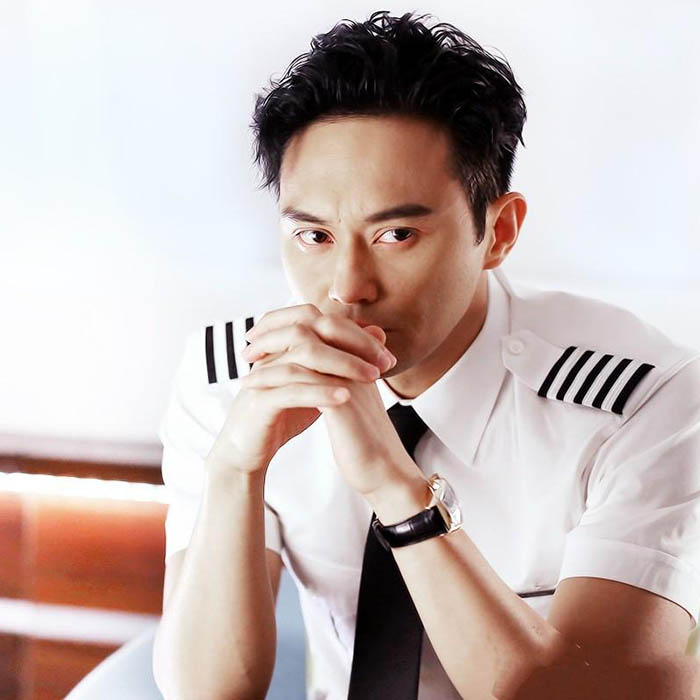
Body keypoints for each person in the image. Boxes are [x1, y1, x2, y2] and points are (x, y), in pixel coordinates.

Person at [151, 10, 700, 699]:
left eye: (397, 235)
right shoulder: (233, 380)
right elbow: (208, 691)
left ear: (498, 231)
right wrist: (236, 468)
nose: (347, 288)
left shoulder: (647, 401)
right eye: (314, 237)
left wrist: (397, 489)